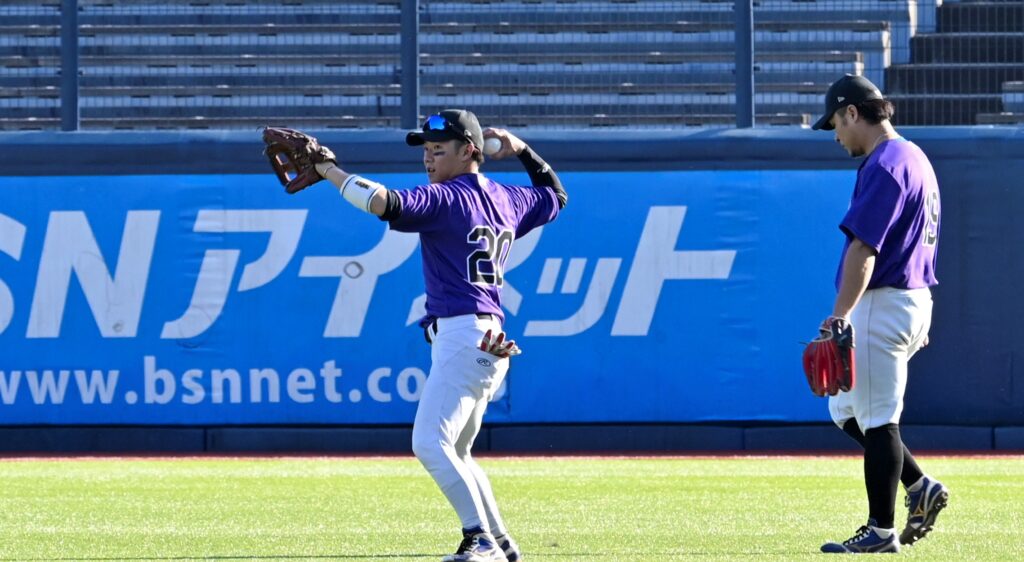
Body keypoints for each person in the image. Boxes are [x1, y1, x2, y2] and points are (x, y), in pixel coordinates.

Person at [305, 109, 566, 562]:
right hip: (485, 336)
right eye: (426, 150)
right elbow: (556, 196)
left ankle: (480, 539)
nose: (428, 159)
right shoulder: (507, 198)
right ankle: (501, 542)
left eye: (439, 149)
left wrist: (329, 170)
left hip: (465, 336)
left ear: (469, 151)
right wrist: (522, 149)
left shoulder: (446, 198)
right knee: (458, 450)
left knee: (429, 443)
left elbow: (381, 202)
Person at [810, 75, 949, 554]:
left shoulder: (886, 164)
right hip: (911, 297)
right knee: (844, 410)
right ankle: (919, 485)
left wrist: (840, 315)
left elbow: (864, 248)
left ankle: (881, 531)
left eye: (835, 122)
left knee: (879, 420)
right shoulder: (916, 157)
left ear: (853, 112)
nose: (835, 134)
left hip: (884, 301)